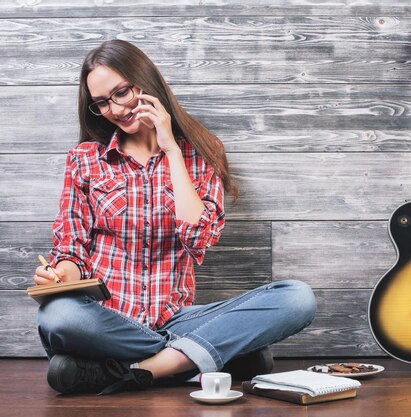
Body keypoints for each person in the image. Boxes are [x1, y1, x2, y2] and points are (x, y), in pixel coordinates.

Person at [32, 39, 317, 395]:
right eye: (102, 102)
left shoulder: (202, 151)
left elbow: (199, 239)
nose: (115, 109)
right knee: (59, 316)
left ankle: (144, 369)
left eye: (121, 92)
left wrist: (170, 149)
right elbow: (72, 247)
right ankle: (198, 357)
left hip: (178, 318)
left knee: (297, 297)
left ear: (146, 81)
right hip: (107, 320)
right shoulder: (85, 159)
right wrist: (60, 276)